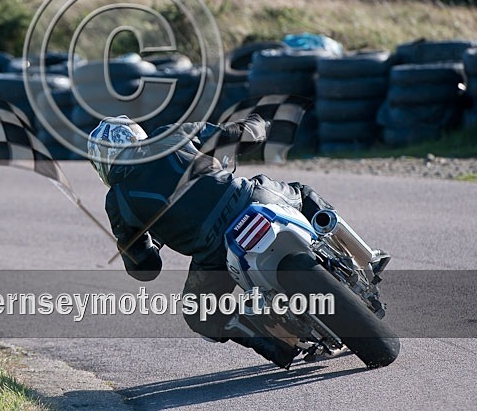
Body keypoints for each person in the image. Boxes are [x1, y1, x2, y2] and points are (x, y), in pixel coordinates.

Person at [87, 114, 384, 369]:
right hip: (252, 199)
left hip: (214, 249)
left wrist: (149, 244)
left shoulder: (117, 199)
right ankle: (367, 257)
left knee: (200, 313)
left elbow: (145, 269)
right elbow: (241, 135)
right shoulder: (171, 133)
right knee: (303, 194)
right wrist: (259, 122)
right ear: (138, 135)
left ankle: (279, 345)